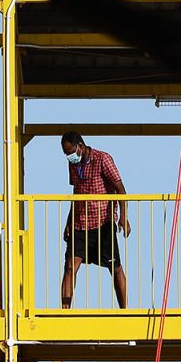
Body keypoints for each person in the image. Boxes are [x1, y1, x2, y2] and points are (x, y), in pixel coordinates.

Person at [60, 131, 130, 308]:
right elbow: (76, 192)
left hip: (103, 223)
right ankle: (64, 313)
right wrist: (69, 221)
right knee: (70, 267)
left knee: (115, 268)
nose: (69, 157)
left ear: (81, 147)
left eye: (71, 152)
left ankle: (125, 311)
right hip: (80, 224)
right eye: (66, 154)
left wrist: (123, 217)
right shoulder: (72, 164)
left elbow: (120, 189)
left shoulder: (103, 159)